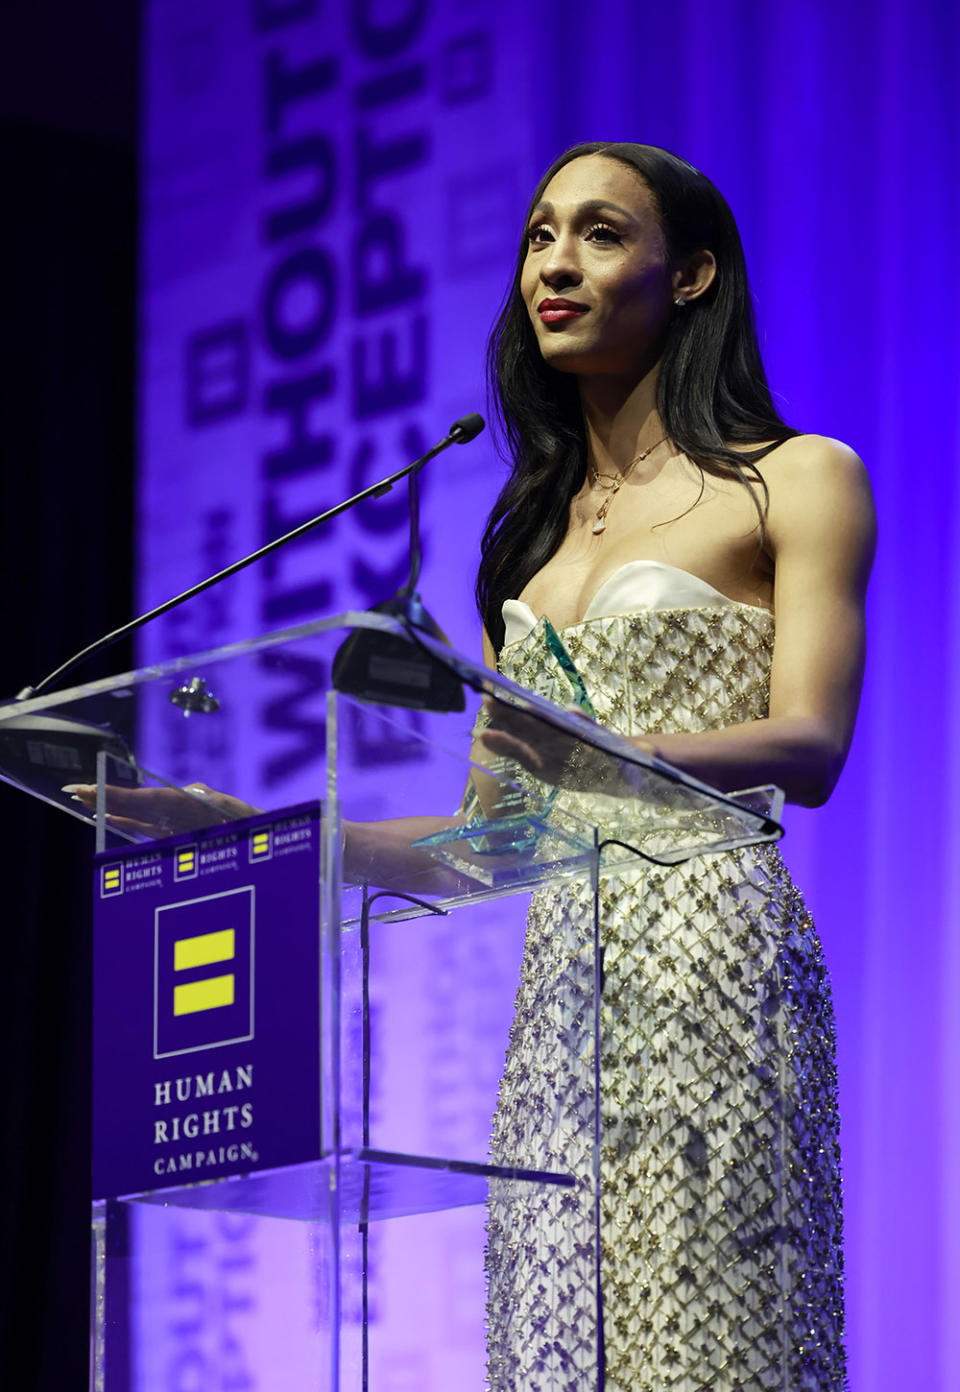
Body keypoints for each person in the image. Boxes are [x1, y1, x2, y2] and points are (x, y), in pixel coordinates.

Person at [473, 142, 874, 1391]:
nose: (556, 264)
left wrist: (603, 750)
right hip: (563, 997)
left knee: (713, 1345)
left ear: (691, 273)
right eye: (542, 235)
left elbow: (810, 749)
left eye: (599, 234)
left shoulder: (798, 478)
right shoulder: (529, 544)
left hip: (713, 958)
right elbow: (490, 841)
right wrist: (231, 832)